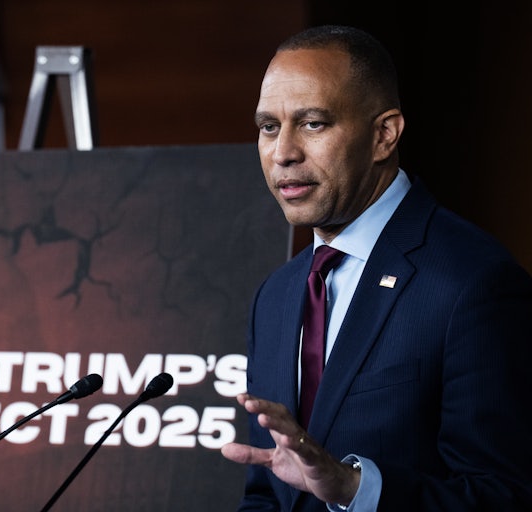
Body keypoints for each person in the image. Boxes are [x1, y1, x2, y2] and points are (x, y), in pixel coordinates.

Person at [220, 24, 532, 511]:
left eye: (313, 123)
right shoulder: (276, 294)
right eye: (268, 126)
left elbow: (505, 496)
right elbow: (268, 493)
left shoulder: (474, 283)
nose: (283, 152)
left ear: (384, 134)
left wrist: (354, 489)